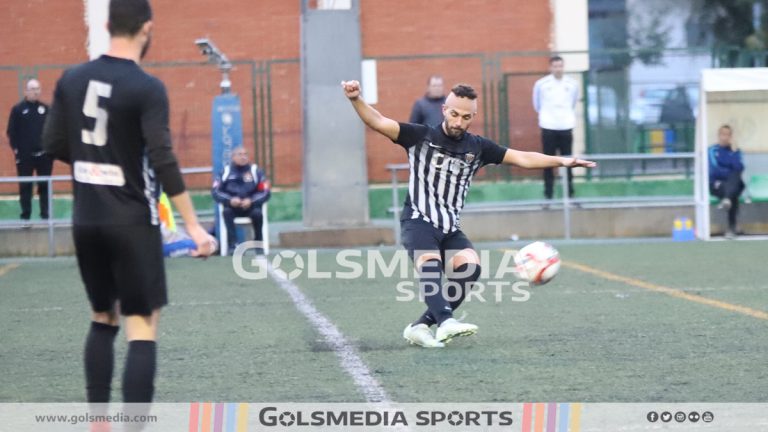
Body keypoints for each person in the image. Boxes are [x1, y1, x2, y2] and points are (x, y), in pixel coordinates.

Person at [41, 0, 216, 408]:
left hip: (86, 220)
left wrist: (94, 161)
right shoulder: (146, 87)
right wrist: (193, 227)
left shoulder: (71, 78)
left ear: (106, 24)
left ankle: (98, 419)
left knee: (102, 317)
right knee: (142, 323)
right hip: (132, 221)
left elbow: (51, 144)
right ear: (147, 29)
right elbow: (162, 157)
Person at [341, 79, 595, 348]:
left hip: (450, 227)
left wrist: (562, 161)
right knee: (431, 266)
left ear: (473, 117)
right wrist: (356, 99)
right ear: (444, 110)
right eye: (454, 114)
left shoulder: (478, 147)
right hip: (419, 220)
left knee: (470, 269)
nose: (458, 122)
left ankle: (420, 326)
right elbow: (379, 122)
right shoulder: (419, 136)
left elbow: (522, 157)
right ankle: (446, 321)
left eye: (465, 117)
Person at [532, 56, 579, 201]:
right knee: (548, 162)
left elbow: (573, 102)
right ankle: (548, 196)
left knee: (569, 162)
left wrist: (564, 118)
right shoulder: (541, 84)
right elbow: (537, 104)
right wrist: (548, 118)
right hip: (548, 127)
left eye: (560, 66)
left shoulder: (572, 84)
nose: (558, 69)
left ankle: (570, 196)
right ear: (550, 68)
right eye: (555, 66)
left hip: (566, 127)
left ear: (563, 67)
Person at [6, 79, 53, 221]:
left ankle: (45, 216)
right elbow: (11, 132)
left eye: (38, 88)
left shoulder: (45, 109)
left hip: (43, 156)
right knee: (25, 187)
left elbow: (52, 130)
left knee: (44, 186)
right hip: (25, 157)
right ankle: (25, 217)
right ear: (26, 91)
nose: (35, 91)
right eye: (32, 89)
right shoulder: (18, 110)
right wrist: (17, 150)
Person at [212, 147, 271, 253]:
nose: (243, 157)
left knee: (258, 214)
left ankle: (258, 243)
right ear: (233, 157)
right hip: (232, 207)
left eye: (245, 154)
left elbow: (266, 192)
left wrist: (251, 201)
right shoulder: (225, 171)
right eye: (240, 154)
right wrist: (230, 200)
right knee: (226, 212)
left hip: (251, 207)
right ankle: (233, 245)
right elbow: (215, 191)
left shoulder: (255, 171)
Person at [709, 124, 745, 239]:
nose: (725, 137)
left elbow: (740, 168)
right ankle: (731, 228)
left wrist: (733, 153)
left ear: (731, 137)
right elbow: (715, 171)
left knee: (735, 178)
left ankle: (726, 199)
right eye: (722, 134)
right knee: (732, 192)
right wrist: (730, 170)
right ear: (719, 135)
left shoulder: (736, 151)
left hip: (733, 184)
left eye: (727, 135)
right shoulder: (712, 150)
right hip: (717, 185)